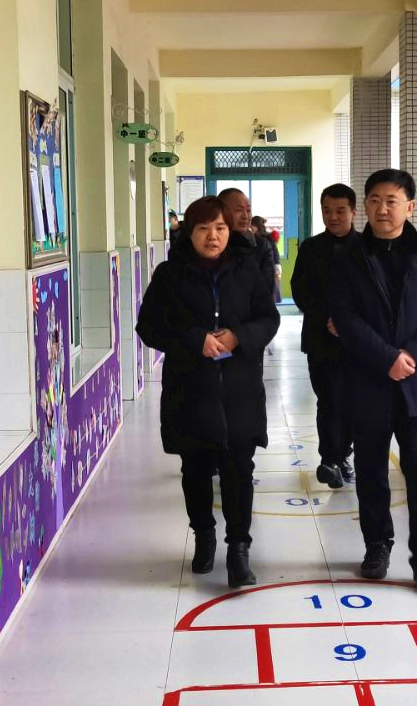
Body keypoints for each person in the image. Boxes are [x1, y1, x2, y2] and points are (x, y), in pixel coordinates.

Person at [137, 195, 280, 588]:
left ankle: (239, 550)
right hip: (191, 390)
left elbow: (269, 318)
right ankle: (204, 535)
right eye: (203, 229)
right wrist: (193, 339)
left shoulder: (247, 270)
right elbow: (148, 326)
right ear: (190, 232)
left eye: (219, 228)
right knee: (196, 469)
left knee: (239, 470)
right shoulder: (170, 274)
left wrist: (240, 336)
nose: (213, 236)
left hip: (240, 390)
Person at [329, 169, 417, 593]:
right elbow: (344, 317)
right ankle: (377, 544)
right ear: (365, 206)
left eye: (391, 201)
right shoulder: (348, 256)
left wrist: (409, 355)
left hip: (416, 380)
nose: (382, 209)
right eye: (374, 200)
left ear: (410, 207)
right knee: (370, 468)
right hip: (367, 378)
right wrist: (386, 358)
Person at [290, 183, 358, 490]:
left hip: (358, 342)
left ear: (353, 211)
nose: (333, 217)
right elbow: (300, 290)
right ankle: (329, 460)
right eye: (327, 211)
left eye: (340, 210)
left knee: (352, 401)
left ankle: (343, 455)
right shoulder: (310, 248)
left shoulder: (366, 247)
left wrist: (348, 323)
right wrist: (327, 319)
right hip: (320, 339)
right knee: (328, 400)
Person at [218, 189, 275, 294]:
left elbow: (266, 290)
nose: (245, 216)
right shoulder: (212, 244)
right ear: (221, 212)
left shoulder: (261, 245)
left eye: (248, 210)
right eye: (238, 210)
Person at [252, 216, 282, 303]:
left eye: (252, 225)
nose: (250, 227)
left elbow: (275, 253)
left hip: (269, 269)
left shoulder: (267, 239)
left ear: (257, 226)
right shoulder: (252, 238)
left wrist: (277, 268)